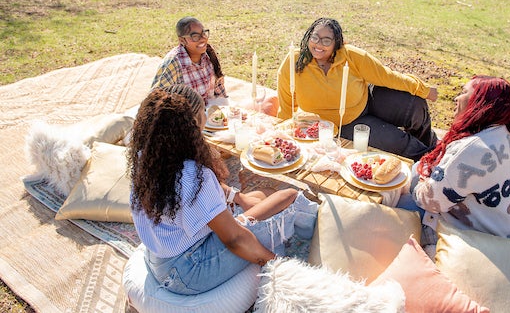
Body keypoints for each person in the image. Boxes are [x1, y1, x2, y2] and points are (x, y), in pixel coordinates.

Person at [128, 84, 317, 295]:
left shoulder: (147, 158)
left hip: (160, 260)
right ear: (192, 124)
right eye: (204, 112)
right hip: (189, 271)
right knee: (288, 197)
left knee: (260, 195)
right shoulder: (192, 175)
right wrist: (278, 267)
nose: (207, 116)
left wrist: (239, 197)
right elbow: (235, 239)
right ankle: (322, 236)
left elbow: (203, 193)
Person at [277, 17, 438, 161]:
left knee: (415, 105)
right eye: (315, 37)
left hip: (369, 99)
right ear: (308, 36)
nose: (318, 44)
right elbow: (286, 104)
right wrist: (281, 134)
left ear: (336, 43)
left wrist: (424, 89)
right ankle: (424, 160)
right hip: (344, 123)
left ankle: (429, 151)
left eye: (326, 40)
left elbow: (387, 76)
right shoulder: (294, 62)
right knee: (399, 143)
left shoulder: (351, 55)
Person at [403, 75, 510, 239]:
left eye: (464, 92)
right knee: (416, 169)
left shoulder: (470, 150)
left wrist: (421, 180)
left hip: (483, 237)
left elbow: (428, 201)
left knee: (392, 206)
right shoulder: (501, 132)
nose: (457, 98)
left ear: (480, 103)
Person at [151, 16, 227, 104]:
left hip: (209, 111)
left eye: (204, 33)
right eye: (195, 36)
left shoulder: (208, 54)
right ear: (182, 40)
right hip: (185, 115)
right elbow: (155, 100)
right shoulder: (173, 63)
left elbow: (218, 87)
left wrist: (226, 110)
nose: (202, 39)